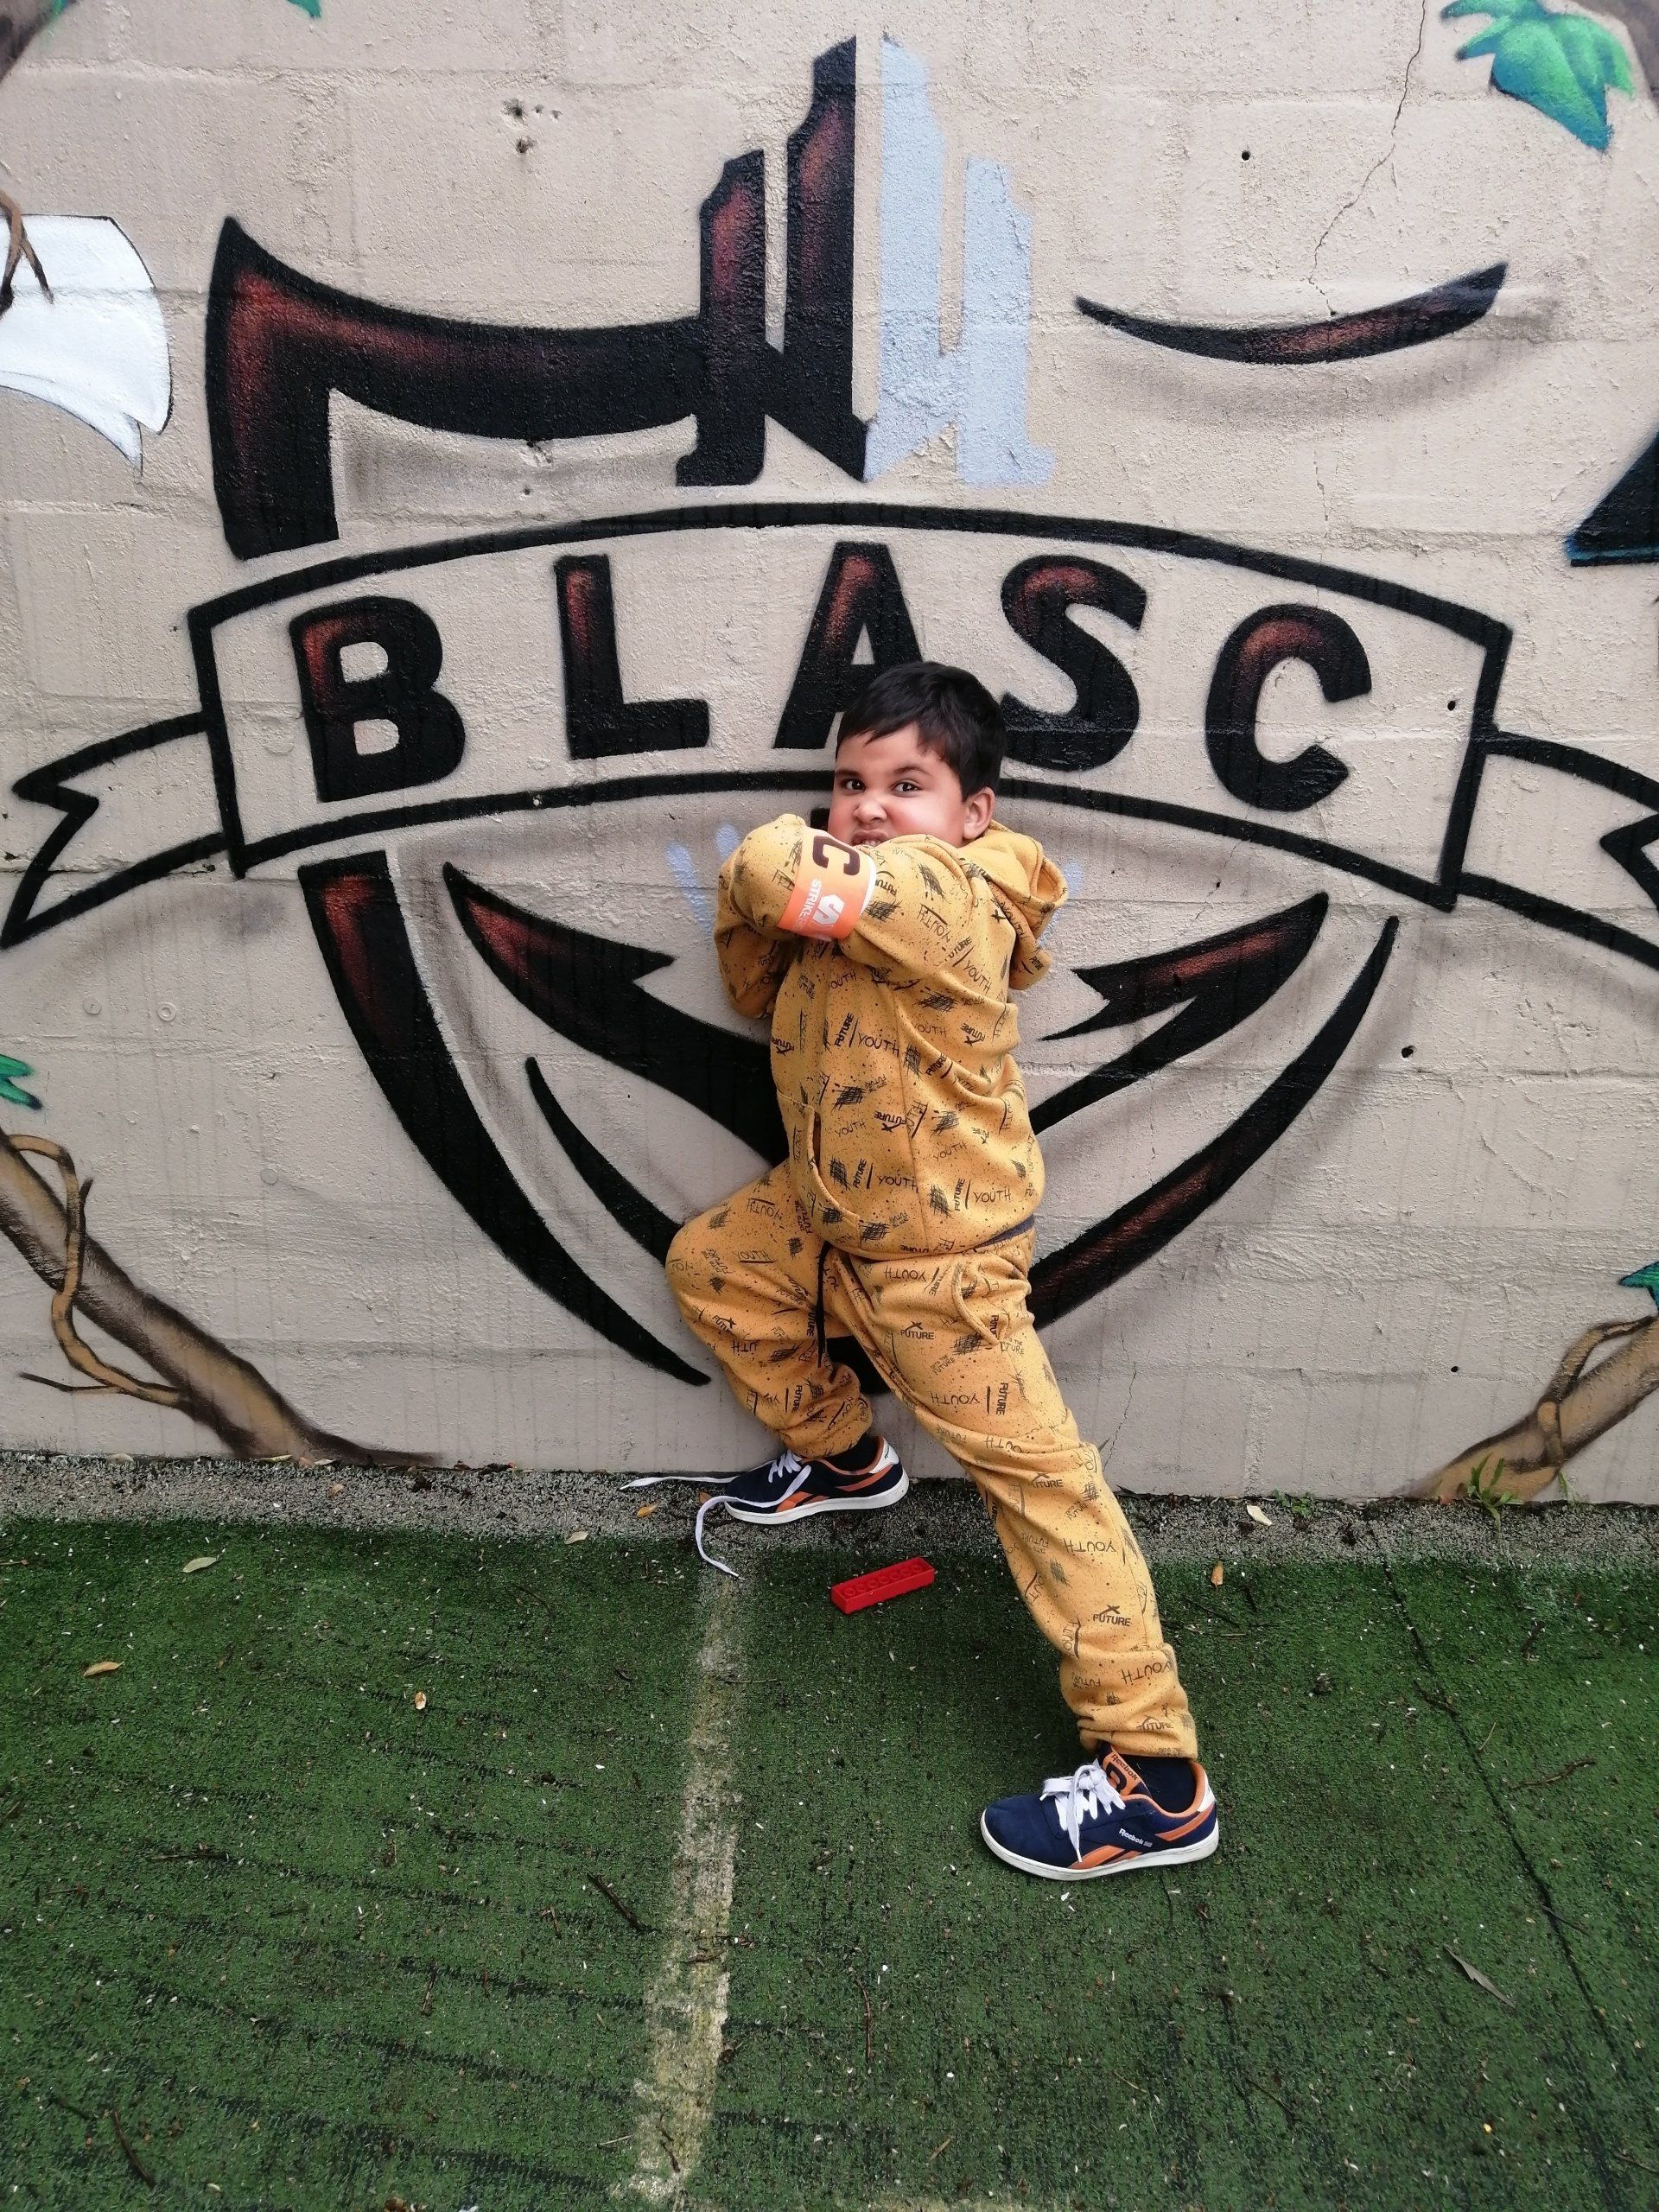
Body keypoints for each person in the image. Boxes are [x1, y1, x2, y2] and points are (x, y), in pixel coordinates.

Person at [658, 662, 1217, 1880]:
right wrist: (774, 904)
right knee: (714, 1266)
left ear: (976, 811)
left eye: (906, 784)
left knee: (1044, 1488)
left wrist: (784, 869)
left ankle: (1161, 1782)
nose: (864, 806)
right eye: (850, 781)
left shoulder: (952, 893)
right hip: (827, 1210)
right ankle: (850, 1462)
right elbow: (754, 975)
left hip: (938, 1265)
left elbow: (771, 874)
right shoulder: (856, 901)